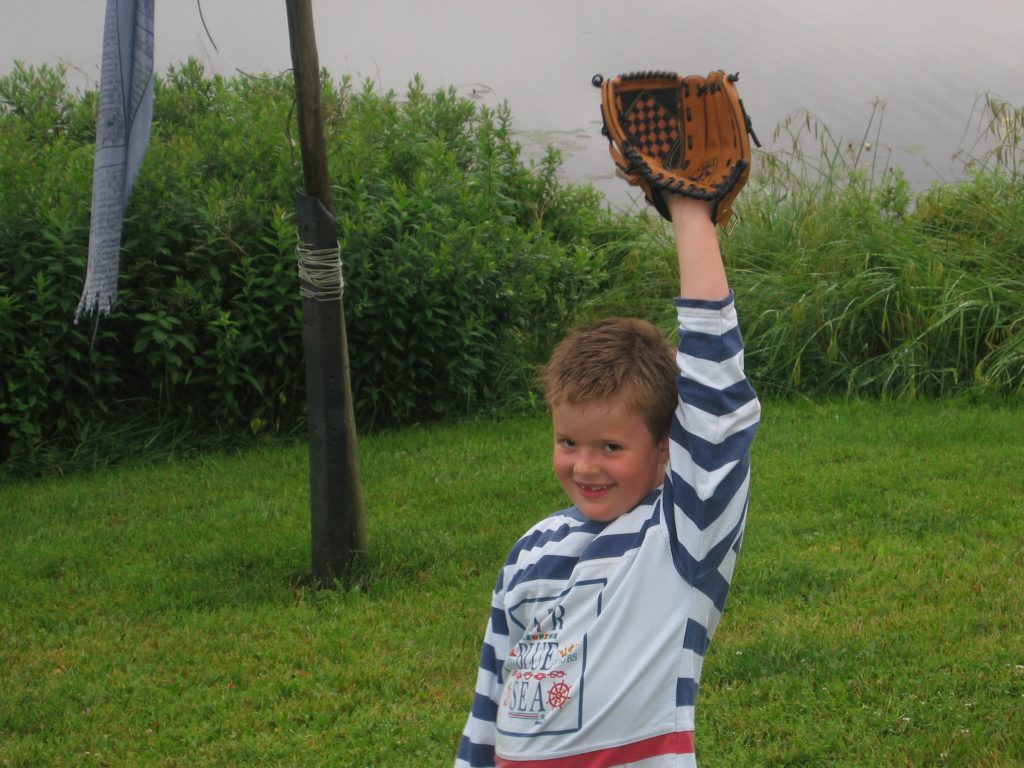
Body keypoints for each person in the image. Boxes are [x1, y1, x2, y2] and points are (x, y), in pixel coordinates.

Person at [453, 191, 761, 768]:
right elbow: (486, 710)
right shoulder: (529, 555)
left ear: (667, 450)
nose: (585, 466)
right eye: (568, 442)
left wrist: (689, 212)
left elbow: (717, 400)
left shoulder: (680, 540)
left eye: (611, 447)